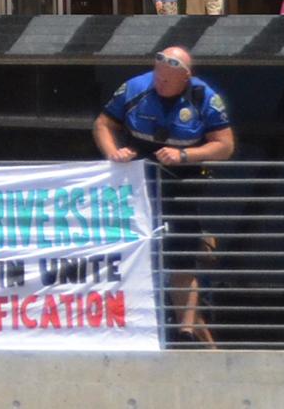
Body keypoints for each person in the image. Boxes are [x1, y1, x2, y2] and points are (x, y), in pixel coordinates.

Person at [93, 47, 234, 345]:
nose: (160, 82)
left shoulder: (204, 97)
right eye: (158, 76)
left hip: (182, 181)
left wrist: (185, 155)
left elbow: (225, 146)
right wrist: (114, 154)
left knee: (182, 255)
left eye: (168, 80)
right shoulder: (135, 88)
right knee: (133, 253)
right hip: (137, 180)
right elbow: (103, 125)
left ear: (186, 77)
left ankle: (186, 332)